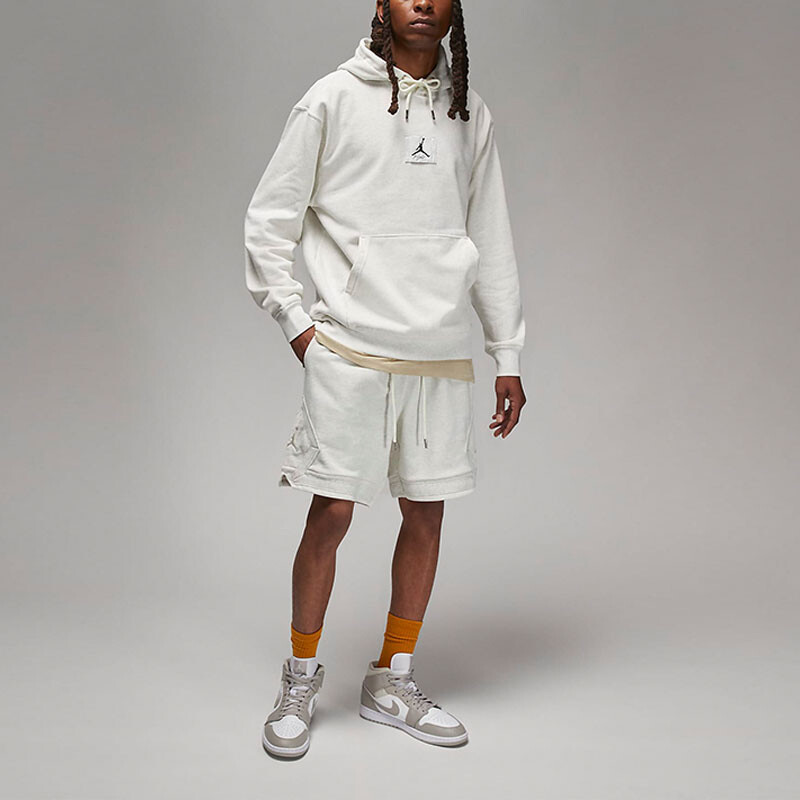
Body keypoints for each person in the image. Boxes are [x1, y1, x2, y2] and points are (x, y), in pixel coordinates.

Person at [244, 0, 526, 759]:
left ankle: (391, 678)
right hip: (350, 349)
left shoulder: (469, 112)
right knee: (332, 511)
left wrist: (506, 352)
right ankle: (300, 677)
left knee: (426, 514)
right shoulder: (331, 99)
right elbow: (269, 220)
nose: (423, 3)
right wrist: (298, 325)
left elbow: (491, 235)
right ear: (381, 5)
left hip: (439, 351)